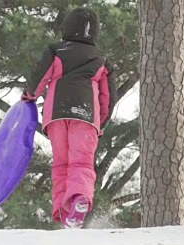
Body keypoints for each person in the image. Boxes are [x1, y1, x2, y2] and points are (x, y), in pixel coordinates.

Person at [21, 7, 118, 229]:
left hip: (56, 116)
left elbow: (40, 78)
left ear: (66, 28)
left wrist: (29, 96)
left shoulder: (56, 50)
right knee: (81, 161)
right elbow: (108, 97)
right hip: (85, 117)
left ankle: (64, 212)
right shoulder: (101, 61)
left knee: (61, 164)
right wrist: (100, 123)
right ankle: (79, 200)